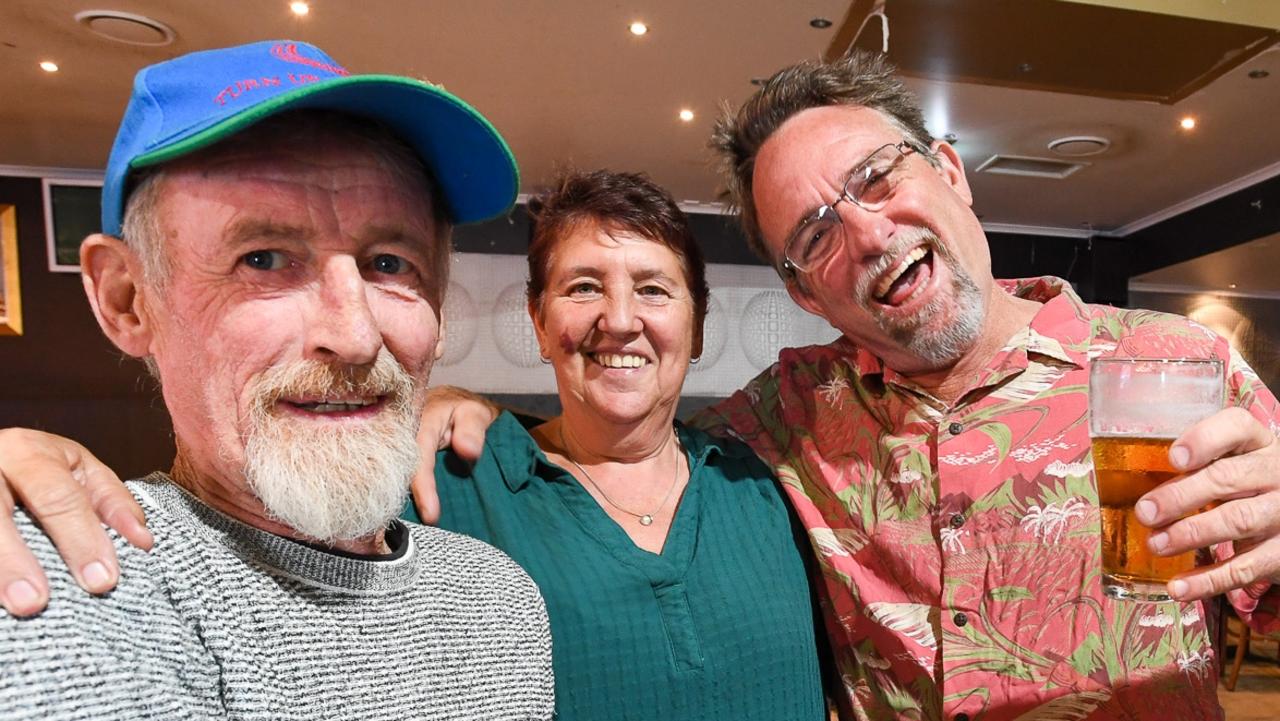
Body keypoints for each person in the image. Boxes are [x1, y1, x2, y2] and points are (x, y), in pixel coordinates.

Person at [7, 48, 1280, 721]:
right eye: (811, 235)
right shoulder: (783, 421)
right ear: (798, 290)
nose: (861, 232)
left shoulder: (1179, 371)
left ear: (951, 169)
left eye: (879, 179)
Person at [0, 41, 553, 720]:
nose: (354, 335)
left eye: (388, 262)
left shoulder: (496, 600)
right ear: (127, 299)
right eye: (263, 258)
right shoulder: (75, 584)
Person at [412, 168, 825, 720]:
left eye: (653, 289)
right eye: (584, 287)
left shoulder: (773, 481)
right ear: (538, 321)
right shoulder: (452, 493)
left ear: (697, 324)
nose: (621, 320)